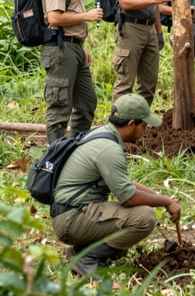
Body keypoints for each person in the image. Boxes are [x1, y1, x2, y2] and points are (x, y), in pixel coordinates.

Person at [51, 94, 181, 276]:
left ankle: (79, 251)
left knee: (122, 243)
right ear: (131, 125)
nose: (146, 131)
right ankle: (87, 258)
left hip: (71, 213)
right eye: (144, 126)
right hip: (71, 219)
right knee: (144, 218)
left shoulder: (102, 135)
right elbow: (128, 198)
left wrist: (162, 197)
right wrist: (165, 202)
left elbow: (124, 184)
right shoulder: (109, 149)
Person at [40, 0, 104, 143]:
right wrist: (87, 16)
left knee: (87, 102)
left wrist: (80, 46)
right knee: (60, 107)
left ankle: (75, 149)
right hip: (60, 50)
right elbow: (54, 17)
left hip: (73, 47)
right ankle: (56, 157)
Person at [111, 0, 175, 106]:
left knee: (149, 83)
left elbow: (154, 5)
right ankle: (118, 125)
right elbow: (125, 3)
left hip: (150, 29)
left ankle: (138, 122)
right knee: (125, 83)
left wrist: (159, 31)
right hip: (131, 29)